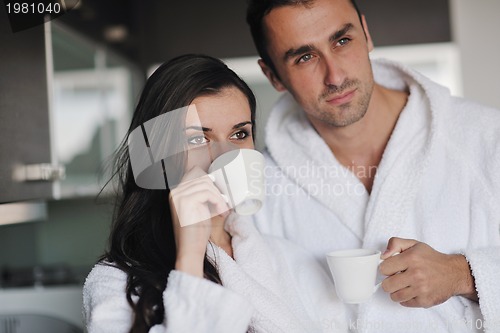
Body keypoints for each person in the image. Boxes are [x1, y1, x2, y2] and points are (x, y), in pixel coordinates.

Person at [246, 0, 500, 331]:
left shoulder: (485, 137)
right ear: (272, 75)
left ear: (366, 34)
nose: (335, 76)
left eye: (342, 40)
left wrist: (462, 273)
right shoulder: (260, 190)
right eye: (304, 57)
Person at [83, 54, 348, 333]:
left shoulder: (285, 257)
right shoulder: (115, 282)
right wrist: (189, 260)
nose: (225, 156)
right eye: (197, 139)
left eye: (239, 134)